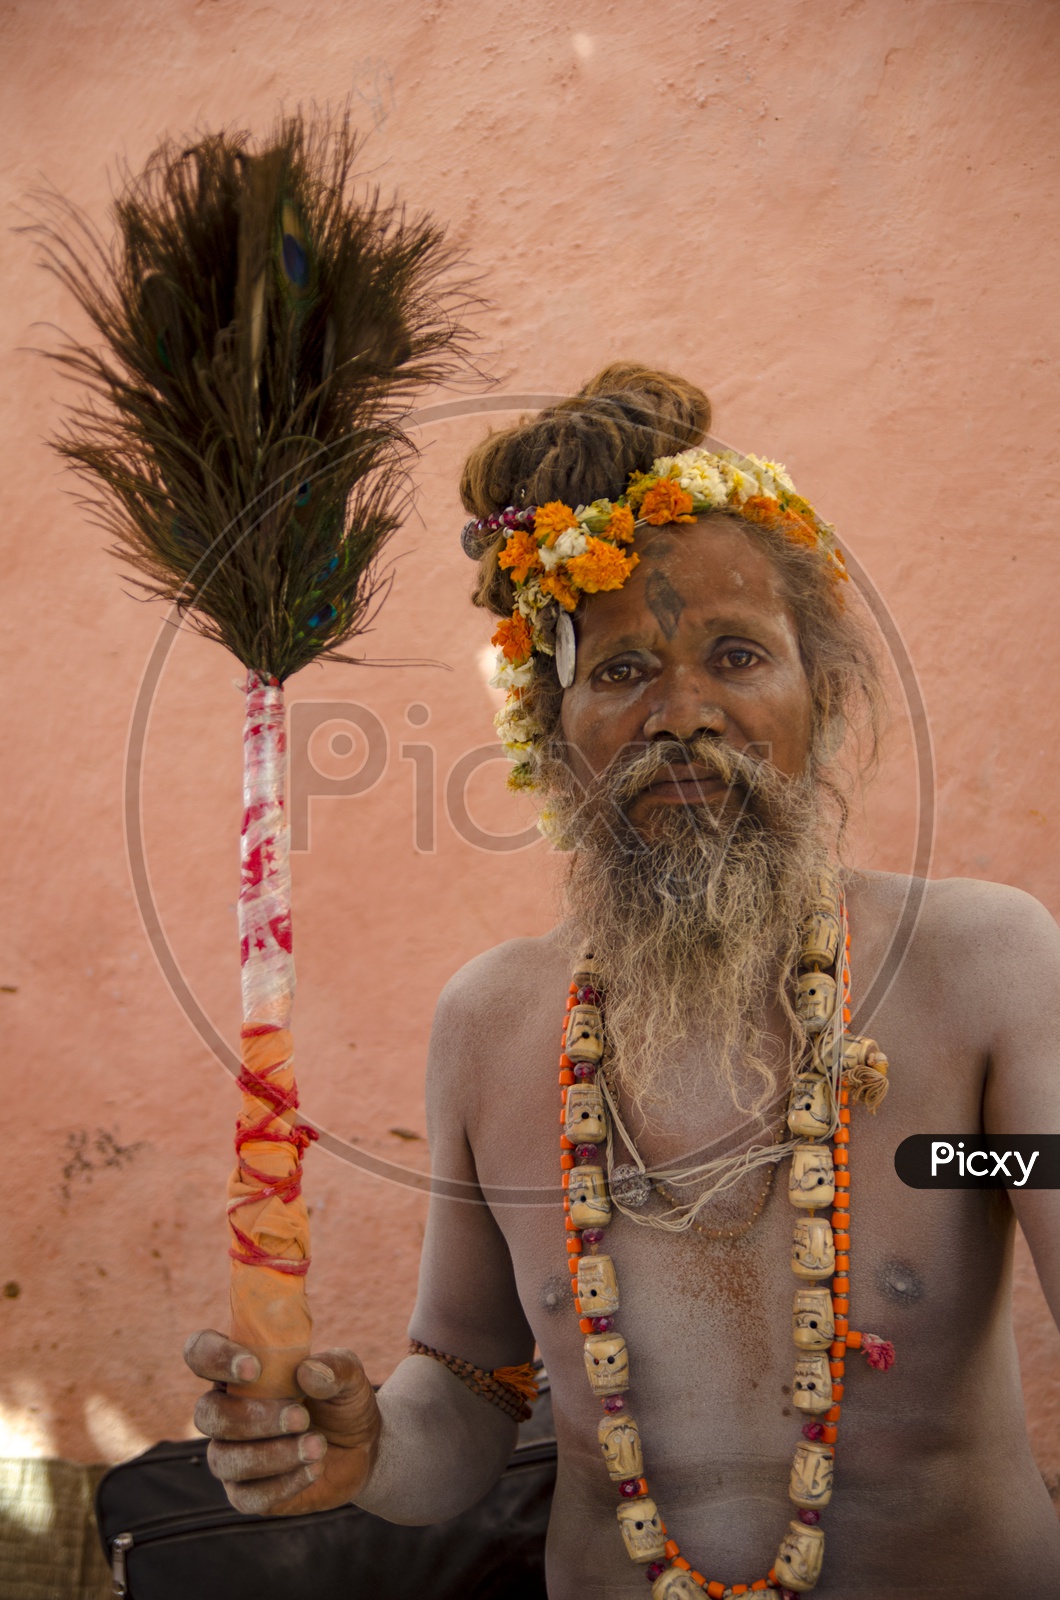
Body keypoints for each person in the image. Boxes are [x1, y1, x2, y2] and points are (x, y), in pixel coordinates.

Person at [185, 366, 1060, 1595]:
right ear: (553, 736)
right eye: (620, 670)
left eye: (738, 654)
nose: (682, 714)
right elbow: (470, 1384)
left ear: (825, 694)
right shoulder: (491, 1027)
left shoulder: (986, 972)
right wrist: (366, 1449)